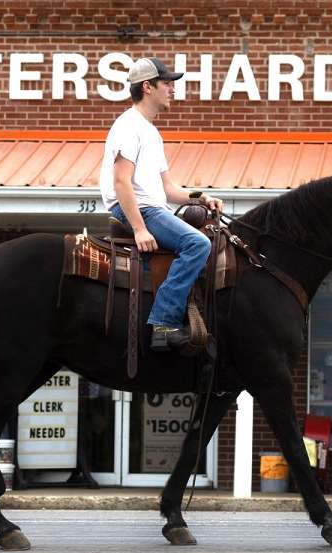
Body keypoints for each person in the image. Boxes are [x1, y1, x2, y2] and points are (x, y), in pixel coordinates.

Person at [99, 57, 223, 352]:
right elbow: (121, 182)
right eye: (167, 83)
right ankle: (164, 323)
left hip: (153, 207)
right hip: (136, 210)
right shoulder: (128, 125)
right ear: (147, 87)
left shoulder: (151, 132)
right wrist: (140, 229)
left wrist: (200, 197)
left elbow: (169, 189)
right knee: (197, 245)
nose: (173, 89)